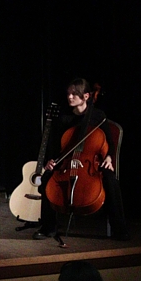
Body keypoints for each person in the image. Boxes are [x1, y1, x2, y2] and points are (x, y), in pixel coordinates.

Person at [34, 78, 128, 241]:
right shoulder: (64, 118)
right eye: (68, 94)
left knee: (110, 180)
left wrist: (108, 158)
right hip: (67, 162)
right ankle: (48, 227)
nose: (70, 97)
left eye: (74, 94)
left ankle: (119, 228)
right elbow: (56, 146)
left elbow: (110, 143)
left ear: (86, 96)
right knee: (47, 177)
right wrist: (50, 160)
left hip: (92, 163)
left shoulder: (98, 116)